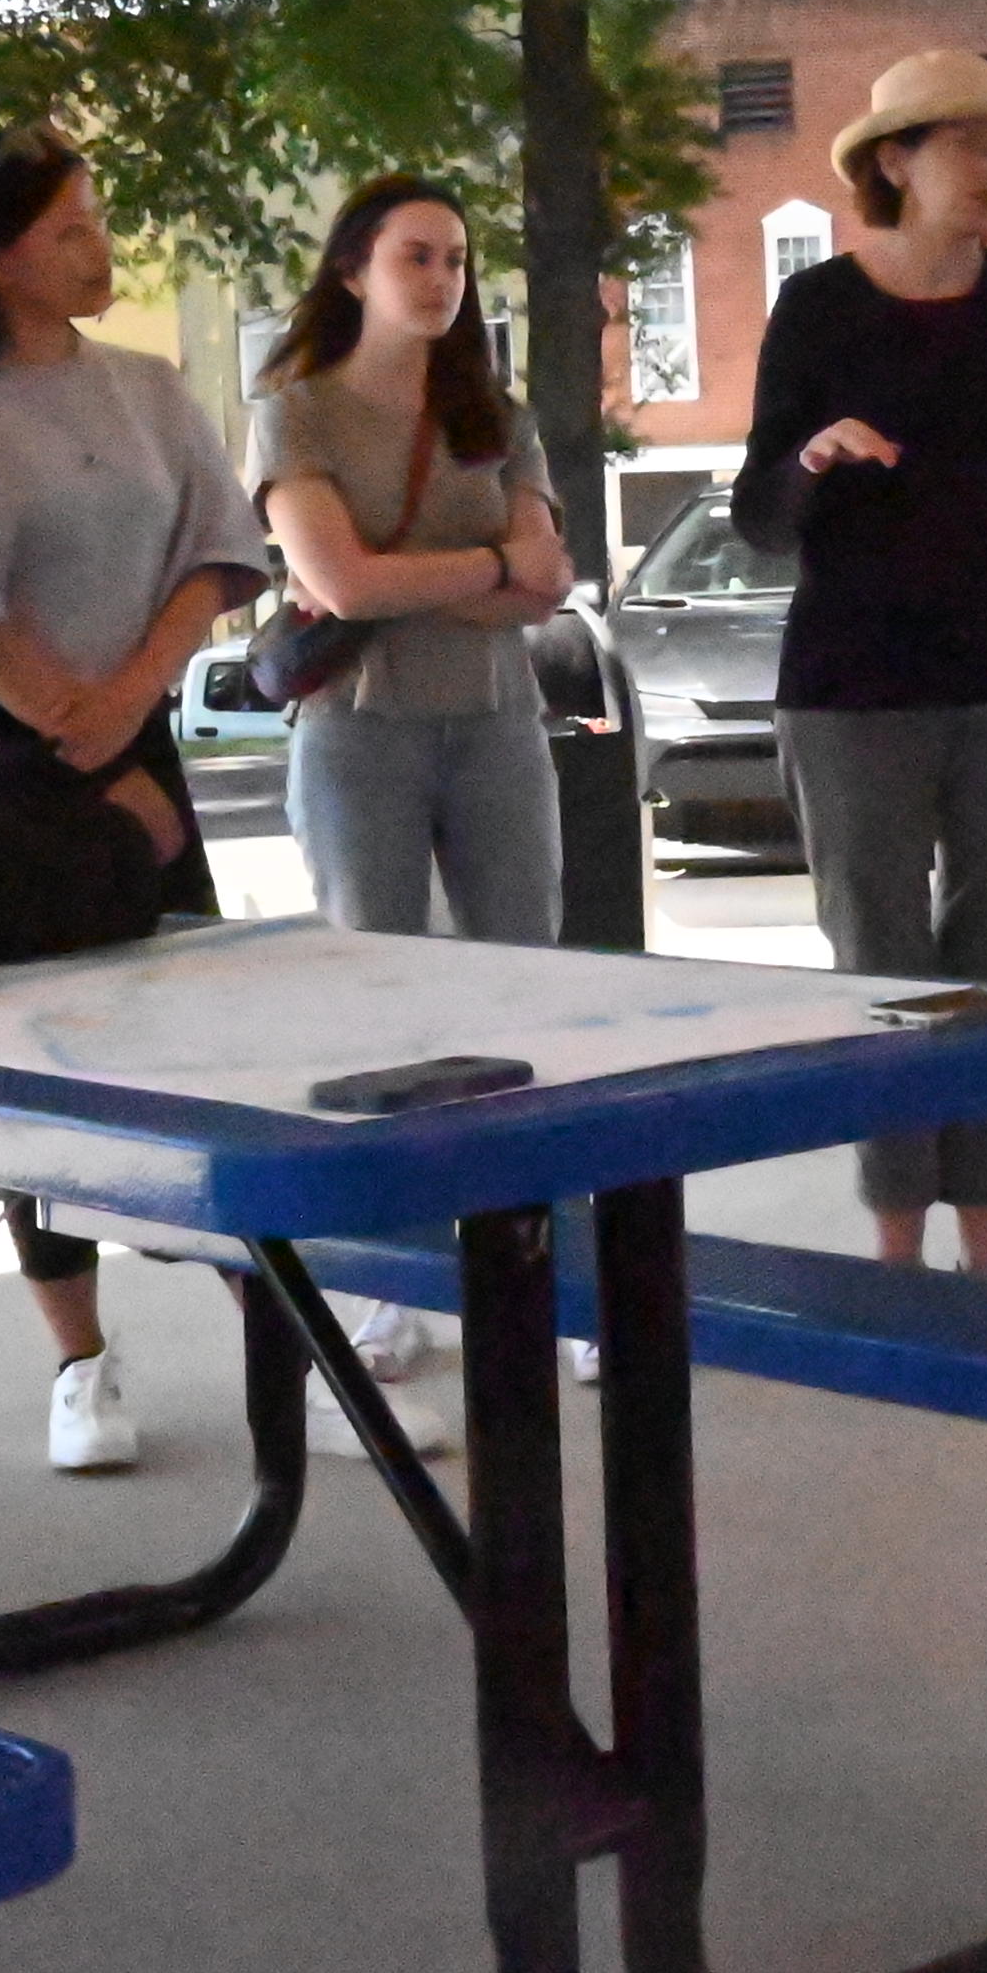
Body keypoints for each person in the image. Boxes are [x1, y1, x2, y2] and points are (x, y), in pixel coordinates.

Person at [0, 123, 260, 1472]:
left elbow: (218, 554)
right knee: (39, 1063)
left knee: (198, 1055)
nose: (100, 249)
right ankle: (81, 1362)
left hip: (136, 736)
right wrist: (75, 739)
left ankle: (289, 1351)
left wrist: (132, 702)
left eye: (99, 220)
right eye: (69, 230)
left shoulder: (150, 390)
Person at [734, 52, 987, 1275]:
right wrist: (814, 458)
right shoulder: (819, 309)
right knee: (883, 977)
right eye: (968, 143)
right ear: (894, 158)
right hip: (857, 692)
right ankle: (894, 1249)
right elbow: (756, 512)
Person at [253, 176, 574, 1447]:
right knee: (378, 1009)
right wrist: (484, 564)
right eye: (414, 255)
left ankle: (547, 1271)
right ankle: (387, 1286)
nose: (440, 279)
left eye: (454, 258)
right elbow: (335, 579)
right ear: (353, 269)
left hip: (497, 723)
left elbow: (547, 582)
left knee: (521, 990)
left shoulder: (496, 413)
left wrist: (425, 579)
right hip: (359, 732)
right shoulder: (296, 409)